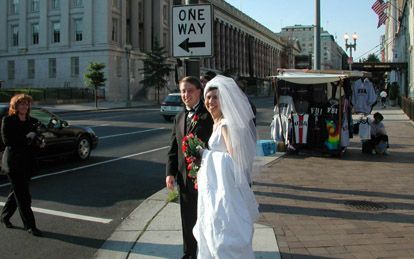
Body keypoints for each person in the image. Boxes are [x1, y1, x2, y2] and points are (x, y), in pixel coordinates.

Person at [193, 75, 259, 258]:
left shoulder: (225, 125)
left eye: (215, 97)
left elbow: (235, 159)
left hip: (225, 191)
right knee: (213, 228)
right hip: (216, 189)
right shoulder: (216, 124)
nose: (211, 101)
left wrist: (205, 155)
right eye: (208, 97)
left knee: (224, 231)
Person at [166, 76, 213, 259]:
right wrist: (170, 173)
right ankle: (189, 253)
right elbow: (173, 148)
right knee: (187, 218)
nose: (186, 95)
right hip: (184, 179)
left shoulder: (208, 114)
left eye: (190, 90)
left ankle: (206, 252)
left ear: (199, 92)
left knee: (205, 218)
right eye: (183, 91)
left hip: (205, 179)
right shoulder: (178, 117)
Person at [0, 94, 43, 236]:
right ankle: (30, 226)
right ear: (15, 106)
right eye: (21, 104)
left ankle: (4, 216)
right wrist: (27, 138)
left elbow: (36, 140)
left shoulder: (32, 121)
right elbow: (8, 142)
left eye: (27, 104)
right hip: (14, 163)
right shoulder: (8, 120)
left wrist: (39, 142)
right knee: (24, 196)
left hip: (28, 162)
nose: (24, 106)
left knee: (17, 192)